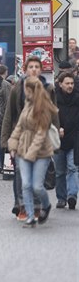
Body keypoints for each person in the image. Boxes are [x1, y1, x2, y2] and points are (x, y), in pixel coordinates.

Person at [1, 56, 58, 221]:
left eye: (37, 67)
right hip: (21, 138)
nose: (34, 69)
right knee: (20, 175)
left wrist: (57, 131)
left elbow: (53, 114)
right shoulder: (17, 88)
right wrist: (7, 141)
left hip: (41, 138)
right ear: (25, 69)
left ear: (41, 69)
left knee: (37, 179)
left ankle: (39, 206)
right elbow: (9, 116)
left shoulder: (48, 88)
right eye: (31, 66)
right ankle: (23, 207)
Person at [53, 72, 79, 210]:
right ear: (60, 84)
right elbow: (49, 118)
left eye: (72, 83)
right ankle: (61, 198)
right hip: (58, 140)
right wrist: (57, 128)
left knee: (73, 167)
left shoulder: (77, 98)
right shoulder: (54, 99)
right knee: (60, 171)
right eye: (67, 83)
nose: (70, 86)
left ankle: (72, 196)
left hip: (75, 139)